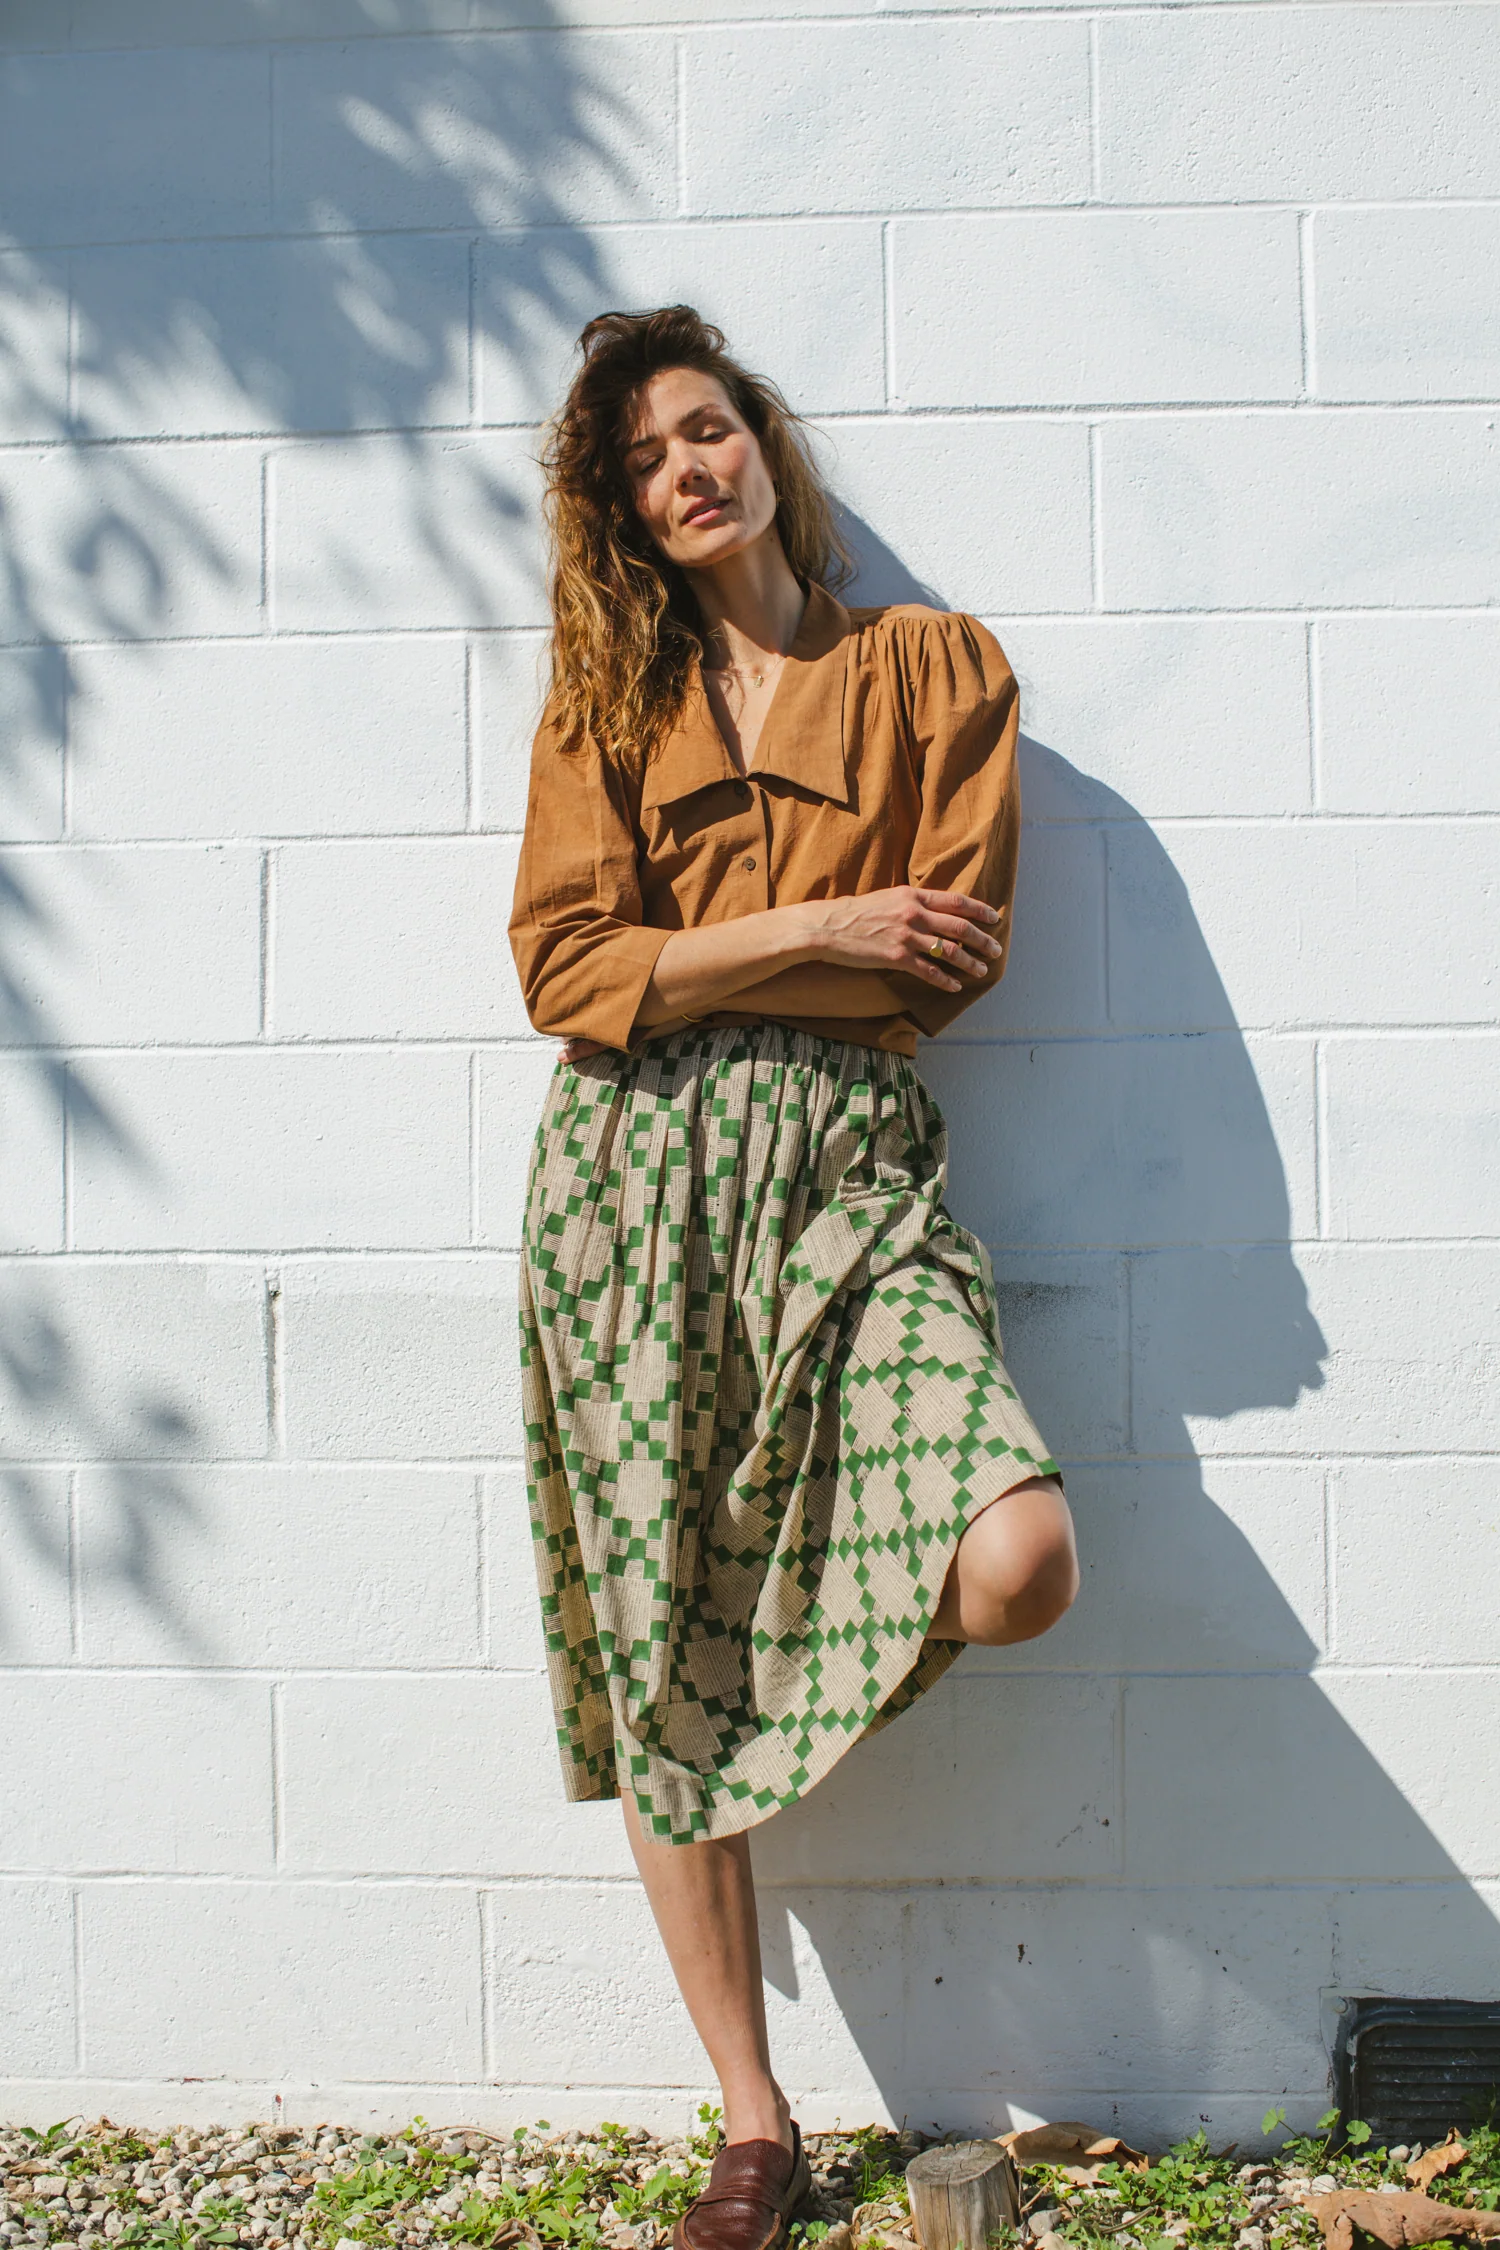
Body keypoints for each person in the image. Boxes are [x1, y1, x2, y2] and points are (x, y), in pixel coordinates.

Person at [508, 306, 1078, 2250]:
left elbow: (947, 961)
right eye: (642, 464)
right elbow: (562, 973)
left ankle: (797, 1660)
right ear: (624, 513)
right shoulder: (605, 705)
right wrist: (824, 923)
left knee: (1017, 1556)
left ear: (761, 437)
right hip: (628, 1194)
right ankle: (752, 2120)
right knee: (659, 1625)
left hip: (848, 1172)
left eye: (704, 428)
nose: (686, 472)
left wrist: (692, 961)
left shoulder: (933, 671)